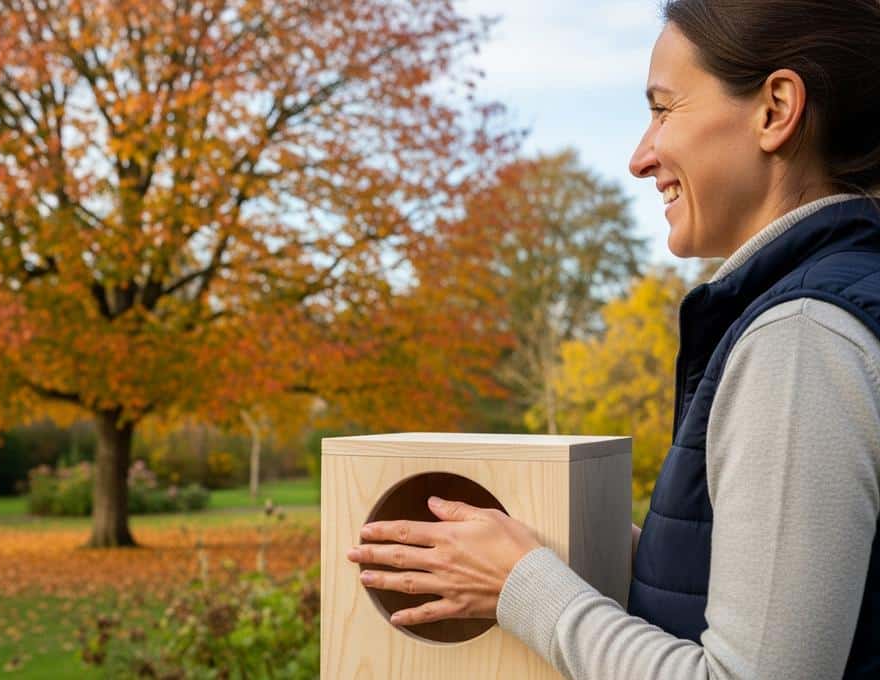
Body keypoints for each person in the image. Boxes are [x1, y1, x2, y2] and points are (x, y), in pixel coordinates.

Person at [346, 1, 880, 677]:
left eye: (663, 108)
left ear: (774, 109)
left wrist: (523, 586)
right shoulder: (833, 305)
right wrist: (565, 546)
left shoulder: (801, 340)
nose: (640, 157)